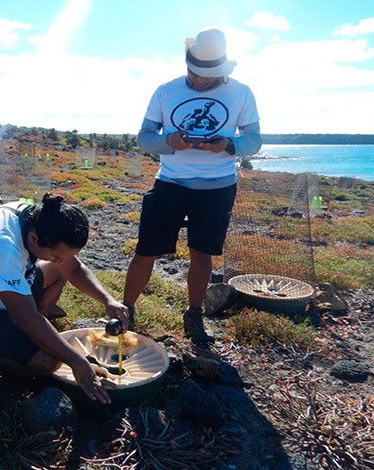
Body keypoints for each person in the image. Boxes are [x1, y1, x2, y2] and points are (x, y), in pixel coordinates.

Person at [123, 28, 262, 345]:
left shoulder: (242, 93)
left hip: (217, 189)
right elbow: (144, 137)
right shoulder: (165, 91)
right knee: (146, 250)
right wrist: (168, 142)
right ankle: (125, 308)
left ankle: (194, 314)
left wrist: (228, 145)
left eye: (206, 75)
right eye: (193, 71)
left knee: (202, 255)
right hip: (169, 183)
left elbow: (254, 140)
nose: (198, 80)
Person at [0, 193, 129, 404]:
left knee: (58, 272)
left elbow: (74, 268)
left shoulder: (35, 217)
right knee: (49, 362)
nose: (61, 261)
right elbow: (24, 317)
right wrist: (78, 363)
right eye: (57, 256)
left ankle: (36, 333)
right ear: (34, 239)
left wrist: (108, 300)